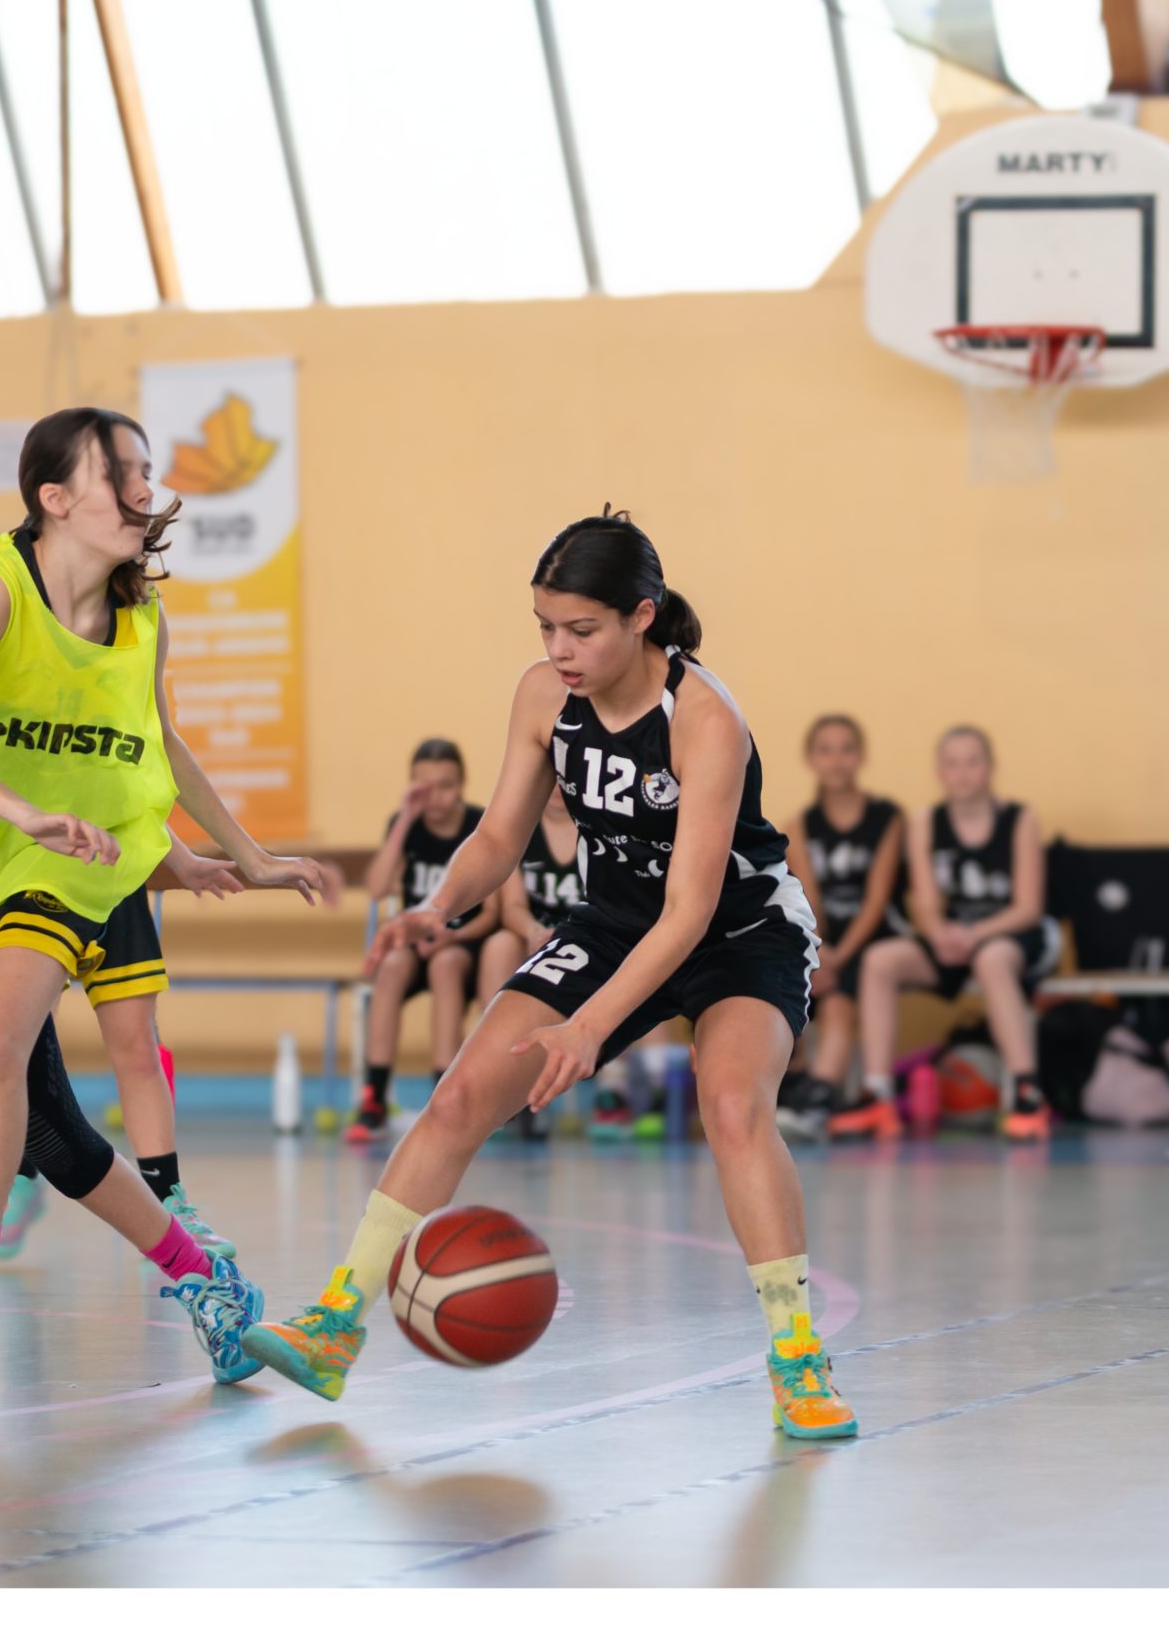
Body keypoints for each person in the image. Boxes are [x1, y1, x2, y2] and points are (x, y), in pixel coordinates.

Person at [240, 511, 857, 1438]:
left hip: (740, 929)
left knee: (733, 1107)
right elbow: (498, 836)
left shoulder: (704, 720)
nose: (559, 650)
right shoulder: (544, 697)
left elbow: (689, 913)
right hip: (613, 922)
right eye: (545, 628)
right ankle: (334, 1324)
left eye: (581, 630)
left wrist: (589, 1026)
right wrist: (438, 908)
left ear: (642, 617)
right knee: (458, 1097)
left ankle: (798, 1360)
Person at [0, 407, 340, 1419]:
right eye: (120, 471)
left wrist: (247, 855)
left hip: (71, 863)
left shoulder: (142, 618)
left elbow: (156, 744)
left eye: (146, 470)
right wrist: (20, 813)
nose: (144, 489)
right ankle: (204, 1280)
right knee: (50, 1131)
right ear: (54, 498)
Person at [0, 853, 245, 1262]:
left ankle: (167, 1202)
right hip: (29, 876)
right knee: (26, 1046)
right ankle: (21, 1177)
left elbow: (146, 807)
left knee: (137, 1046)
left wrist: (188, 856)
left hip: (112, 874)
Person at [847, 726, 1059, 1142]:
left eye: (973, 762)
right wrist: (938, 933)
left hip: (1011, 933)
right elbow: (926, 903)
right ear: (939, 771)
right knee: (879, 960)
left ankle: (1028, 1090)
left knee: (992, 959)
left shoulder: (1020, 819)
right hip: (954, 938)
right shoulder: (925, 821)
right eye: (952, 763)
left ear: (991, 768)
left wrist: (974, 934)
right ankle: (878, 1093)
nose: (963, 773)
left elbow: (1028, 907)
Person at [348, 739, 496, 1143]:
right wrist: (404, 820)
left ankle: (441, 1093)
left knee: (445, 966)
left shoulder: (479, 826)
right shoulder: (406, 823)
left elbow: (493, 912)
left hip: (465, 940)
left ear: (462, 784)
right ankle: (374, 1096)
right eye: (424, 787)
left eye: (446, 785)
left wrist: (453, 935)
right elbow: (377, 888)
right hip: (418, 943)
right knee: (392, 965)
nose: (436, 797)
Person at [780, 714, 906, 1141]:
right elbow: (809, 899)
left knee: (847, 983)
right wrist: (820, 952)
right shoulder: (800, 825)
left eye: (846, 749)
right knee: (824, 996)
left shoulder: (887, 817)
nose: (836, 760)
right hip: (826, 942)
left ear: (861, 756)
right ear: (811, 759)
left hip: (872, 939)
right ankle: (809, 1091)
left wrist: (838, 956)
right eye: (826, 750)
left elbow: (876, 901)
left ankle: (818, 1096)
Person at [480, 787, 588, 1139]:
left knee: (634, 954)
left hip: (590, 942)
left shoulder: (596, 826)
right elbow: (512, 907)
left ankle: (620, 1092)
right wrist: (533, 931)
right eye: (548, 777)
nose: (554, 788)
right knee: (498, 946)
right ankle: (500, 1073)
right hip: (536, 937)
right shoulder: (521, 830)